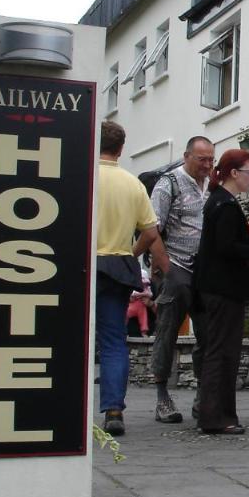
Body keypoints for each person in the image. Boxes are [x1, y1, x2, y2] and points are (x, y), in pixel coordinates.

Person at [193, 149, 249, 435]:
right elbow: (228, 249)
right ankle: (216, 417)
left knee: (221, 351)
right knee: (222, 353)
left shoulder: (220, 202)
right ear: (233, 173)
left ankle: (218, 414)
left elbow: (230, 240)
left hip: (216, 287)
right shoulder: (226, 205)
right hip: (223, 288)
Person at [96, 120, 168, 437]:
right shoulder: (132, 183)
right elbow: (151, 232)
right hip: (116, 266)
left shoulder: (79, 174)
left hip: (81, 267)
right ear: (121, 148)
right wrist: (130, 251)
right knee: (113, 341)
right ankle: (114, 410)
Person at [148, 136, 215, 423]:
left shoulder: (211, 187)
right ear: (187, 156)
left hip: (204, 273)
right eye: (202, 159)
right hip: (175, 267)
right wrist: (167, 268)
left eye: (211, 159)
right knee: (166, 333)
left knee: (207, 334)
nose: (208, 165)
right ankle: (162, 397)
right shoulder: (168, 185)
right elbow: (152, 229)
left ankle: (203, 396)